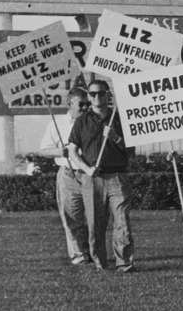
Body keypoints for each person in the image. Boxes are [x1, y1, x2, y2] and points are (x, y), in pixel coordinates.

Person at [67, 80, 134, 272]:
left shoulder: (120, 118)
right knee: (96, 224)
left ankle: (125, 263)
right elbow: (72, 151)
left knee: (122, 220)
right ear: (88, 96)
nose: (97, 97)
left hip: (117, 176)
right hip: (92, 179)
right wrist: (86, 169)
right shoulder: (82, 121)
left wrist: (115, 137)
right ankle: (100, 263)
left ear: (108, 95)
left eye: (101, 93)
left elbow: (131, 152)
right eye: (93, 94)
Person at [38, 87, 90, 265]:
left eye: (87, 104)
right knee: (71, 216)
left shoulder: (93, 122)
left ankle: (92, 251)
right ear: (70, 103)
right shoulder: (56, 124)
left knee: (94, 217)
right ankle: (79, 255)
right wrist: (61, 151)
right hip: (68, 174)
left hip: (90, 175)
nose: (85, 108)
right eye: (81, 104)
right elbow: (43, 150)